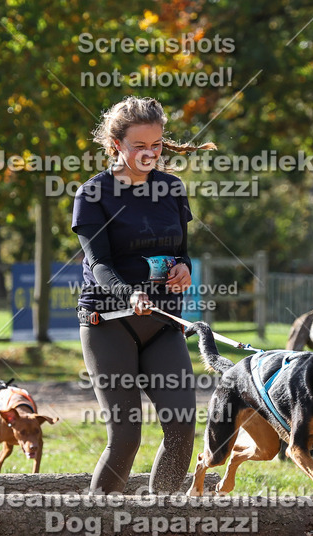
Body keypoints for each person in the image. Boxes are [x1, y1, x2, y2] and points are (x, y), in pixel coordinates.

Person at [73, 96, 215, 494]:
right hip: (109, 324)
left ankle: (159, 520)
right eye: (140, 146)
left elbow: (180, 248)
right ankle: (98, 526)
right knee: (126, 437)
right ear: (116, 144)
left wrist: (184, 267)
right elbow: (98, 265)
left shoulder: (171, 188)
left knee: (182, 428)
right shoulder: (93, 195)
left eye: (157, 144)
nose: (151, 153)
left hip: (163, 324)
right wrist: (129, 294)